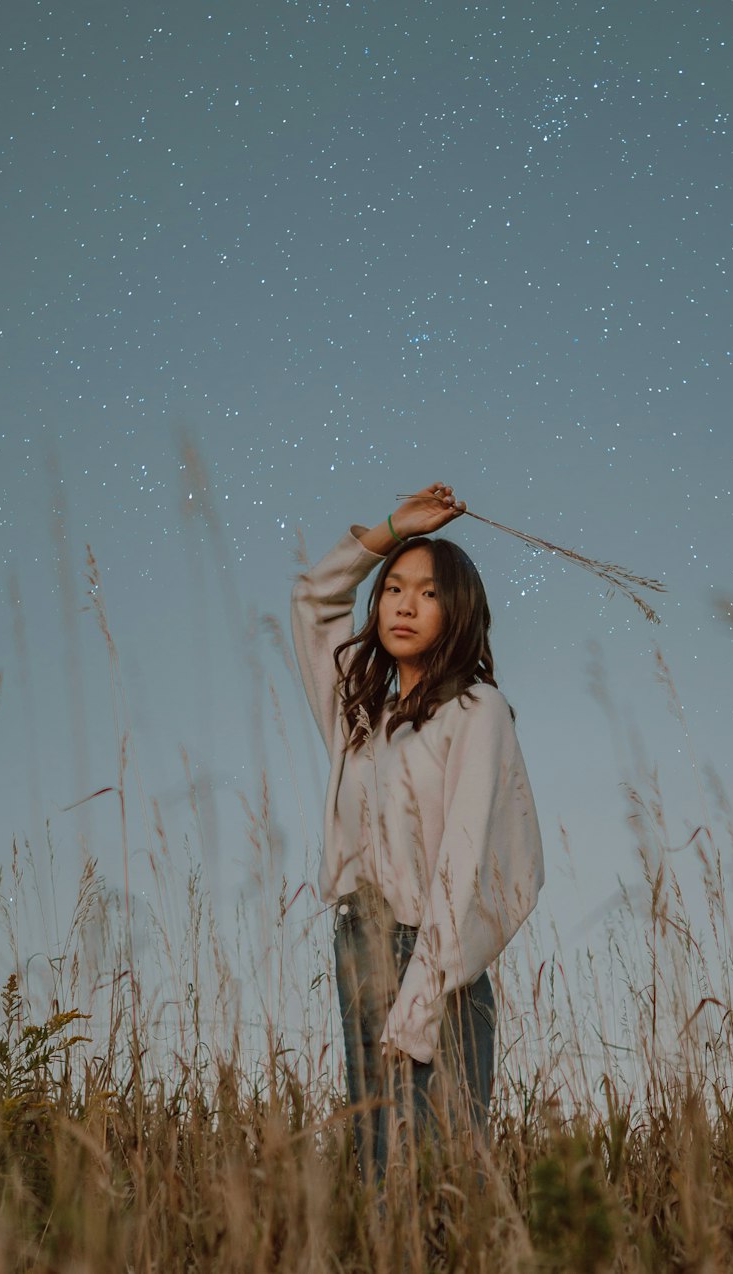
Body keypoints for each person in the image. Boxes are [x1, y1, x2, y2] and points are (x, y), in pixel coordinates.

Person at [291, 482, 545, 1182]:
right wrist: (390, 529)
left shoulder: (476, 712)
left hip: (439, 959)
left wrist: (419, 1003)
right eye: (393, 588)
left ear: (457, 609)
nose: (404, 603)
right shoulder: (358, 713)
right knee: (380, 1169)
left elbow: (464, 867)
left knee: (444, 1176)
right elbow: (314, 601)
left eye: (428, 592)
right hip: (359, 942)